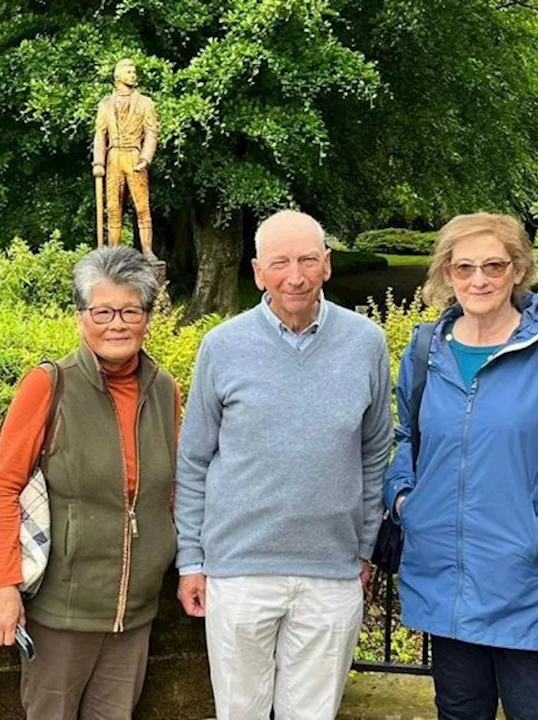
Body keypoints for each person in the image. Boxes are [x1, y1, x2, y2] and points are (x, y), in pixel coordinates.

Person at [385, 213, 538, 720]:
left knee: (537, 712)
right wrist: (406, 499)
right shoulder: (426, 350)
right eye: (464, 267)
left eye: (493, 266)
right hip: (444, 576)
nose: (479, 280)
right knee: (459, 710)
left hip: (524, 578)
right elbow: (407, 435)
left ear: (518, 270)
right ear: (446, 274)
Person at [174, 210, 393, 720]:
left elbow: (374, 452)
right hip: (238, 571)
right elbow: (194, 461)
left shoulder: (366, 344)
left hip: (331, 575)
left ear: (327, 265)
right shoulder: (222, 347)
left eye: (307, 260)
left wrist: (363, 547)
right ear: (257, 272)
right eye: (280, 263)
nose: (295, 276)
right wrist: (192, 560)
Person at [0, 246, 181, 720]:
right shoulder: (49, 385)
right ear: (81, 318)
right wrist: (3, 586)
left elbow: (171, 493)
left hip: (135, 613)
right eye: (103, 311)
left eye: (131, 310)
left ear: (148, 318)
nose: (117, 324)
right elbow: (2, 487)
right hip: (61, 612)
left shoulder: (165, 390)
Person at [92, 58, 160, 259]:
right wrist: (98, 162)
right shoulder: (105, 105)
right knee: (113, 208)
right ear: (118, 76)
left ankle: (147, 250)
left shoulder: (145, 103)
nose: (133, 74)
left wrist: (146, 158)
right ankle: (113, 252)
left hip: (134, 155)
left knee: (142, 207)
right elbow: (99, 134)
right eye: (129, 71)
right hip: (114, 157)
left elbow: (151, 134)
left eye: (134, 71)